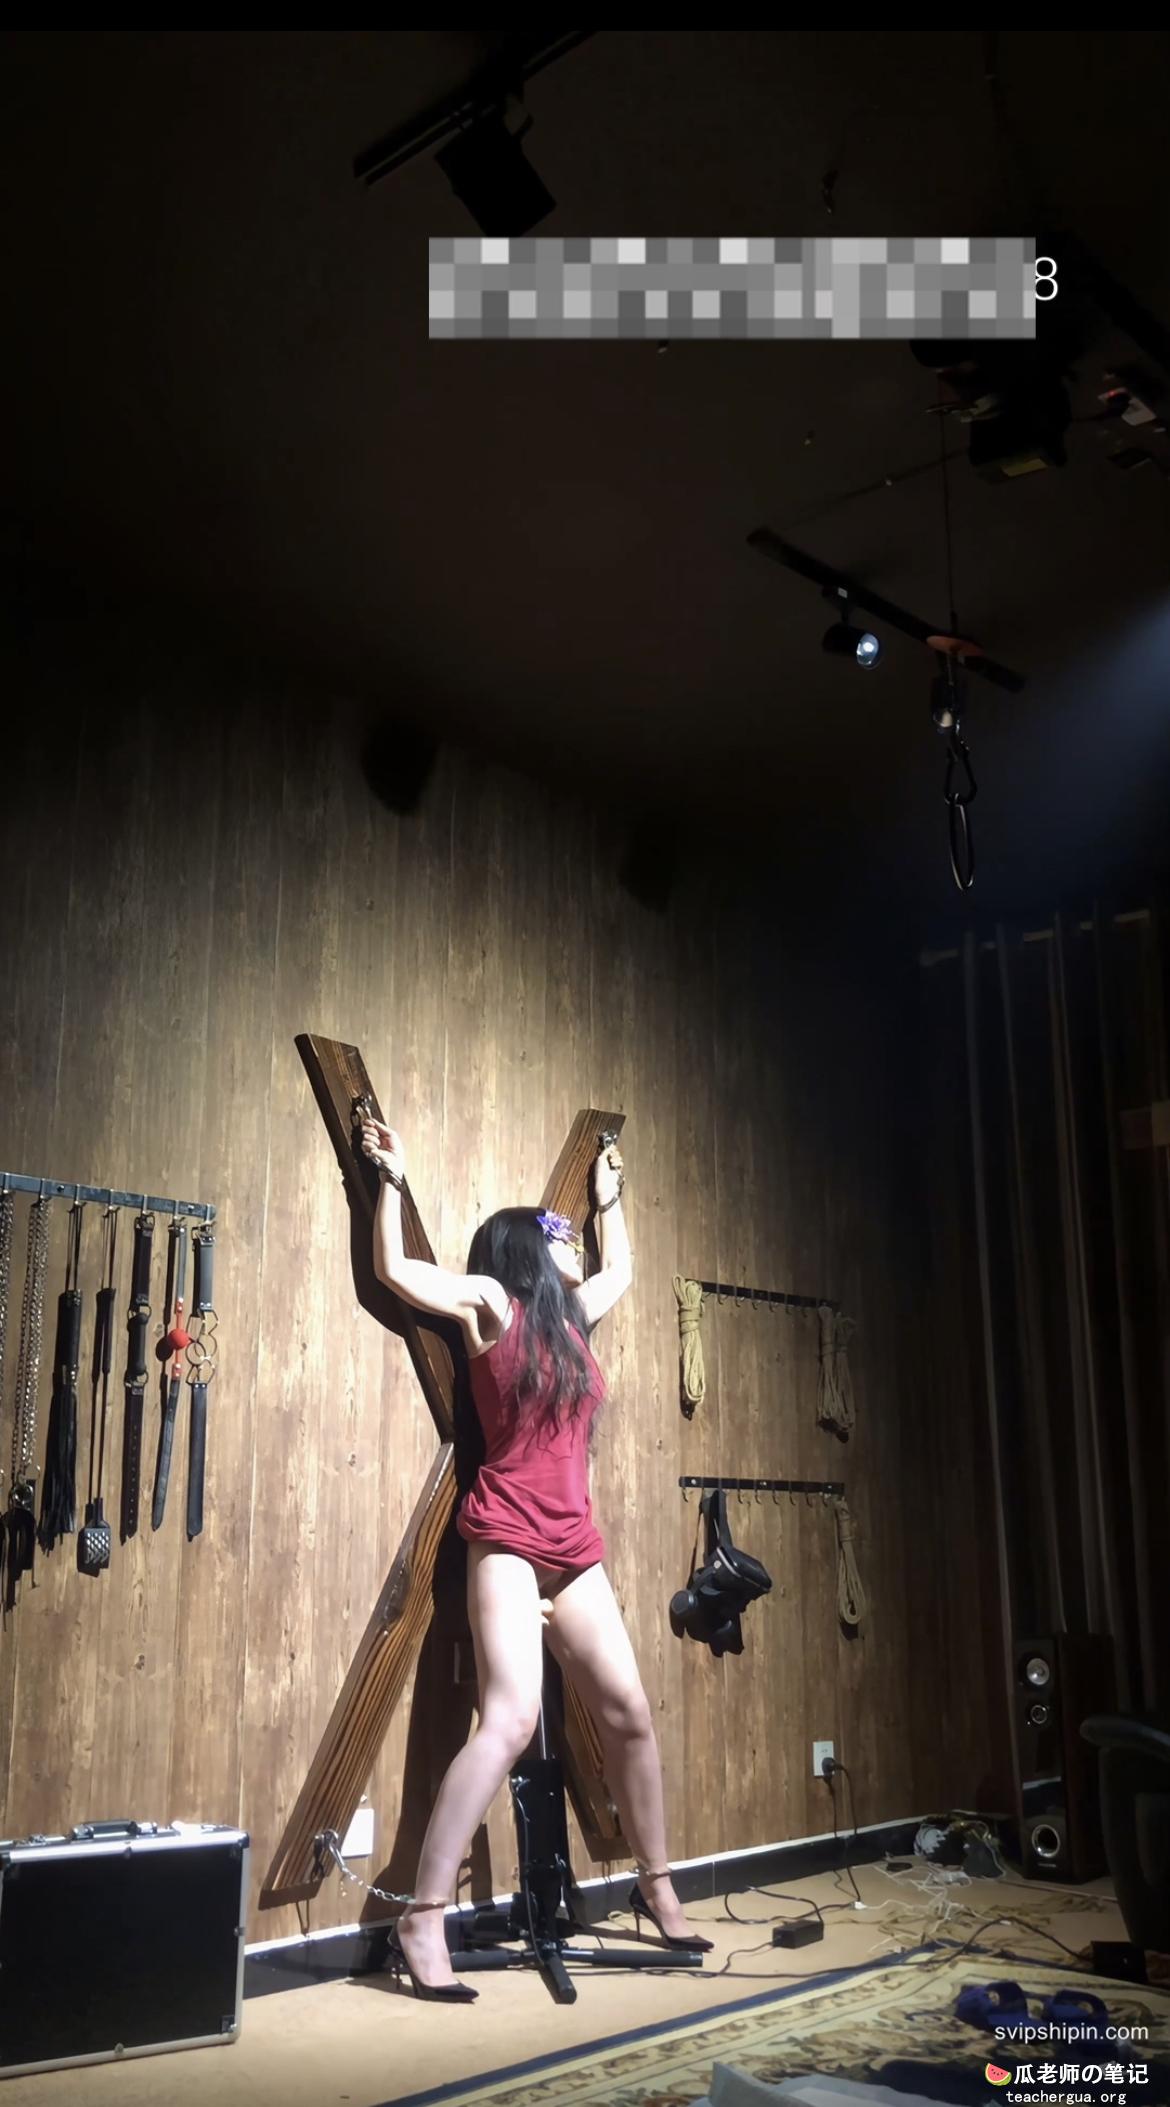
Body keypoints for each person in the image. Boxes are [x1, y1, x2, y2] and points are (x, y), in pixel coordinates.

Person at [359, 1115, 713, 2000]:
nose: (571, 1245)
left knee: (629, 1712)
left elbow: (621, 1269)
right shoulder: (492, 1302)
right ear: (522, 1247)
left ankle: (656, 1885)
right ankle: (422, 1914)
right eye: (557, 1235)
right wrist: (391, 1181)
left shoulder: (574, 1318)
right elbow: (395, 1271)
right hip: (508, 1538)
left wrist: (609, 1200)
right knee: (511, 1719)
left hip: (574, 1544)